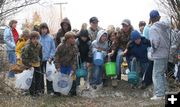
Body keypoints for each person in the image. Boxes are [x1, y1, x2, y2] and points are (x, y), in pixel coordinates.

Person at [149, 10, 171, 100]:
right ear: (159, 17)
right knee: (162, 74)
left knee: (157, 74)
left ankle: (159, 94)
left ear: (151, 18)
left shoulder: (153, 28)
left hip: (158, 54)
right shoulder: (165, 27)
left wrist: (152, 51)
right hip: (166, 53)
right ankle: (165, 91)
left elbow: (155, 42)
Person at [54, 31, 78, 96]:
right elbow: (56, 56)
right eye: (72, 38)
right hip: (62, 65)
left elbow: (75, 59)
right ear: (67, 39)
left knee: (72, 77)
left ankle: (73, 92)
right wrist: (58, 67)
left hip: (70, 65)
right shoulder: (60, 46)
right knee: (59, 78)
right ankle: (57, 92)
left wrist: (73, 69)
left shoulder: (75, 47)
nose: (74, 40)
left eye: (74, 38)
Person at [21, 31, 43, 96]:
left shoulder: (40, 45)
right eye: (33, 39)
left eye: (37, 38)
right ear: (30, 39)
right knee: (32, 80)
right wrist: (29, 65)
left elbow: (40, 55)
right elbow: (24, 58)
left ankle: (37, 91)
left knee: (39, 78)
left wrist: (40, 62)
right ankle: (32, 93)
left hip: (37, 64)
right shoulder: (27, 47)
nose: (35, 40)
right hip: (30, 65)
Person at [39, 23, 56, 95]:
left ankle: (50, 90)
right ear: (40, 29)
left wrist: (50, 57)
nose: (44, 30)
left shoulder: (50, 38)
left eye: (45, 29)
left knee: (49, 75)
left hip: (48, 60)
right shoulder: (38, 37)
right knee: (40, 75)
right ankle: (41, 90)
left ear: (47, 29)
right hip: (39, 60)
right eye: (42, 29)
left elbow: (53, 49)